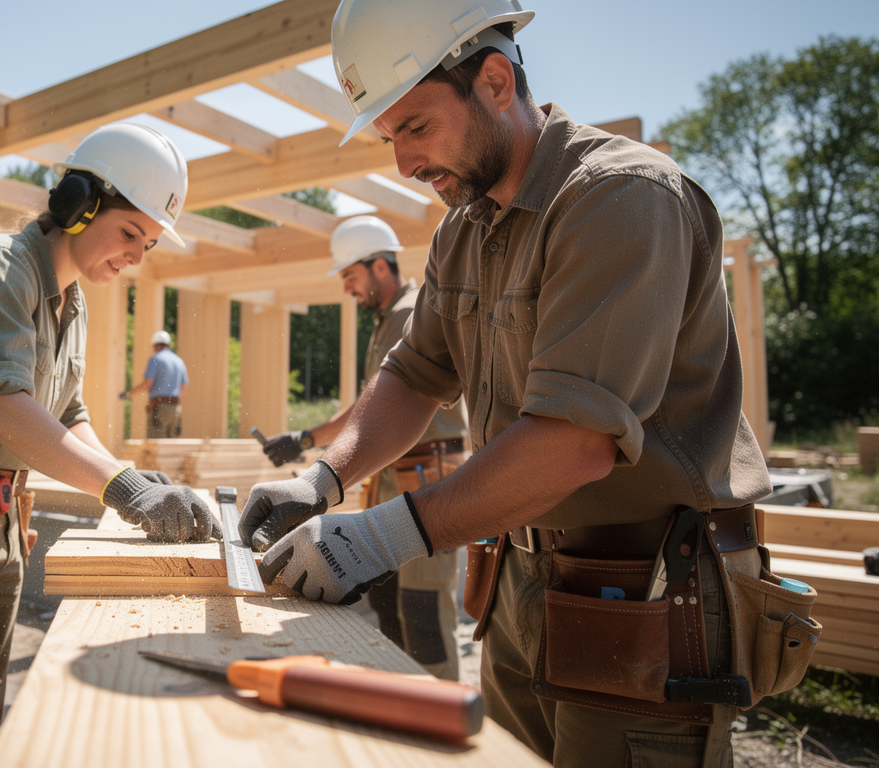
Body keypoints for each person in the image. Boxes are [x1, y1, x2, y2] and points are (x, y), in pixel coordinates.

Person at [238, 1, 776, 766]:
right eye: (391, 137)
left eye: (416, 128)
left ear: (494, 80)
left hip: (647, 589)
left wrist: (384, 533)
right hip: (524, 575)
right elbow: (413, 376)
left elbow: (576, 443)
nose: (403, 165)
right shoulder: (465, 229)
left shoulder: (618, 197)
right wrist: (324, 479)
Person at [0, 122, 220, 765]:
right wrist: (123, 490)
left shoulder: (71, 300)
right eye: (130, 234)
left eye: (147, 243)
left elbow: (69, 412)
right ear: (79, 203)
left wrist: (136, 478)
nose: (137, 257)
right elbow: (4, 407)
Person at [258, 214, 470, 680]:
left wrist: (311, 446)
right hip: (400, 480)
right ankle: (403, 700)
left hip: (424, 481)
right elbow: (371, 406)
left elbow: (394, 406)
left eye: (350, 276)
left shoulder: (406, 313)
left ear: (379, 266)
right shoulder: (388, 317)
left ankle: (444, 712)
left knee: (423, 610)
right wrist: (307, 440)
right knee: (391, 604)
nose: (346, 289)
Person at [121, 330, 188, 438]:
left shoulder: (155, 359)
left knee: (156, 447)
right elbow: (184, 387)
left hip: (159, 408)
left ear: (155, 346)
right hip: (175, 408)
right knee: (172, 447)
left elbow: (147, 383)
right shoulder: (179, 361)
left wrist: (128, 394)